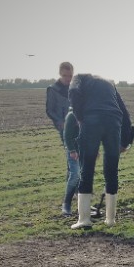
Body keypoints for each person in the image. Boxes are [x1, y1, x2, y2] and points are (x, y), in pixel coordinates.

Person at [67, 73, 132, 229]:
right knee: (111, 171)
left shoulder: (79, 78)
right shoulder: (110, 83)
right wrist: (125, 142)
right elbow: (124, 113)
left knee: (86, 168)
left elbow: (73, 92)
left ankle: (84, 219)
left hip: (91, 119)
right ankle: (110, 220)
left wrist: (80, 118)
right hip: (114, 121)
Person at [46, 62, 79, 216]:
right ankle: (70, 197)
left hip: (78, 126)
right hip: (64, 128)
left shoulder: (76, 88)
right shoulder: (53, 89)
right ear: (60, 74)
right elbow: (50, 110)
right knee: (73, 160)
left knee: (75, 165)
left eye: (70, 76)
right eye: (65, 76)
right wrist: (60, 122)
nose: (68, 79)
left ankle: (76, 192)